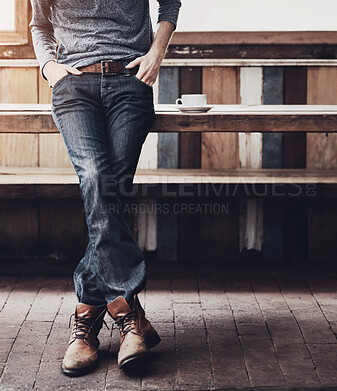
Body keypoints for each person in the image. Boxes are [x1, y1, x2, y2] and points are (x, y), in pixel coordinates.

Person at [29, 0, 181, 376]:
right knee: (98, 181)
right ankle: (129, 314)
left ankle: (86, 323)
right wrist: (49, 66)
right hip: (73, 86)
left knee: (109, 194)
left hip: (130, 83)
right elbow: (39, 24)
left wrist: (156, 52)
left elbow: (171, 3)